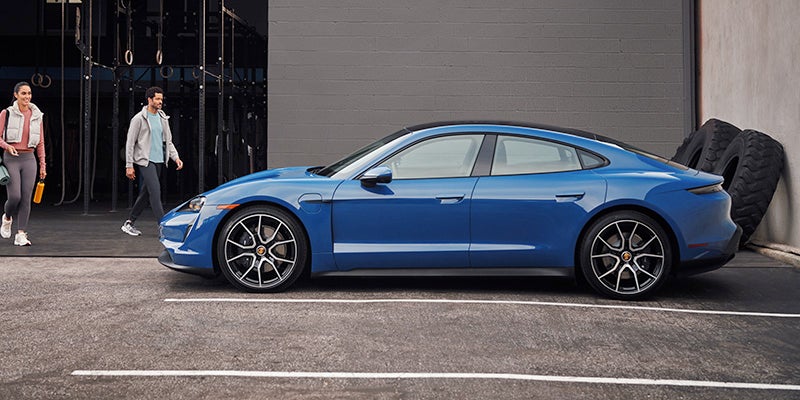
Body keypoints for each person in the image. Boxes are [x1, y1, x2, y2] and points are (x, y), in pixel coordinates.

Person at [121, 86, 183, 236]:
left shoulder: (163, 117)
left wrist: (175, 157)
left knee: (146, 194)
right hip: (145, 161)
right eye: (157, 99)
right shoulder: (139, 119)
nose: (160, 102)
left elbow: (168, 141)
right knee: (155, 192)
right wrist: (129, 165)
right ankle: (163, 227)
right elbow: (130, 143)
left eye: (161, 99)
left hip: (159, 161)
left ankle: (129, 223)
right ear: (149, 100)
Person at [0, 82, 47, 246]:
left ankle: (21, 234)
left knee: (26, 198)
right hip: (11, 158)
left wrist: (43, 165)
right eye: (23, 93)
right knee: (14, 196)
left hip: (29, 158)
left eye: (29, 93)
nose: (27, 96)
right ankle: (7, 218)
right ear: (16, 95)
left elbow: (40, 142)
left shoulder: (37, 115)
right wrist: (7, 146)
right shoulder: (7, 113)